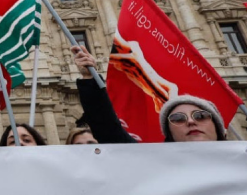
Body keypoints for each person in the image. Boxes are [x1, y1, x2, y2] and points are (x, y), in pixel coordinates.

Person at [72, 45, 228, 143]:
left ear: (219, 127)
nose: (191, 122)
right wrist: (90, 77)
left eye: (200, 115)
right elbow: (105, 127)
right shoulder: (154, 161)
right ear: (168, 132)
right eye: (178, 118)